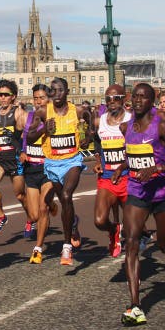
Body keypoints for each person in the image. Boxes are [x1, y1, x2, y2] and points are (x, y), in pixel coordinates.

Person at [113, 82, 165, 325]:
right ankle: (136, 306)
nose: (137, 100)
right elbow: (133, 154)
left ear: (151, 101)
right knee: (132, 242)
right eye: (134, 96)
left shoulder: (161, 127)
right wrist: (122, 166)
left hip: (162, 191)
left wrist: (157, 168)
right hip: (137, 190)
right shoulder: (127, 127)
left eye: (143, 97)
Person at [28, 77, 93, 267]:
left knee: (66, 196)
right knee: (64, 202)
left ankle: (66, 246)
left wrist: (87, 138)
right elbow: (30, 138)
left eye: (60, 90)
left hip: (72, 161)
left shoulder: (78, 110)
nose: (56, 94)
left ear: (67, 92)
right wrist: (43, 130)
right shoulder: (42, 112)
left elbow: (90, 129)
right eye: (53, 91)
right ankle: (72, 223)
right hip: (52, 163)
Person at [0, 80, 30, 235]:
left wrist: (23, 150)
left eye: (6, 95)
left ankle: (30, 218)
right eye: (0, 94)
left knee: (20, 194)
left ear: (13, 97)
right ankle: (1, 215)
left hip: (15, 158)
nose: (3, 98)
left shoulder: (19, 113)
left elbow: (30, 133)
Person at [93, 84, 131, 259]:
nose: (112, 102)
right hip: (107, 177)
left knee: (132, 227)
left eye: (116, 98)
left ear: (124, 99)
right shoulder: (100, 120)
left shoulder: (132, 120)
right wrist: (98, 160)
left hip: (129, 178)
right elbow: (97, 141)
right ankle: (114, 229)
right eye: (108, 98)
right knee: (100, 221)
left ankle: (133, 262)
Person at [21, 84, 56, 263]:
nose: (38, 101)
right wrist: (22, 151)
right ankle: (56, 207)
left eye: (42, 98)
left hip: (48, 168)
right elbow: (25, 137)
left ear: (49, 99)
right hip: (31, 169)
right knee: (34, 215)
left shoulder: (53, 117)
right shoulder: (30, 118)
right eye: (35, 98)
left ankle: (38, 247)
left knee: (43, 210)